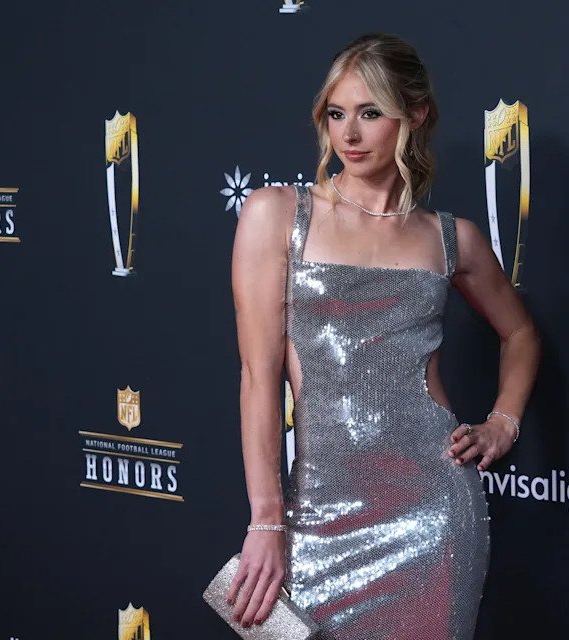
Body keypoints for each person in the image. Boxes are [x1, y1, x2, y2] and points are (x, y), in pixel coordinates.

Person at [226, 33, 540, 640]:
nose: (349, 133)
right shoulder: (276, 214)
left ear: (414, 115)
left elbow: (520, 331)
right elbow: (259, 378)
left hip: (434, 514)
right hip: (315, 515)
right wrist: (266, 520)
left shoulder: (451, 238)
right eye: (336, 113)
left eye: (370, 113)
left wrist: (503, 422)